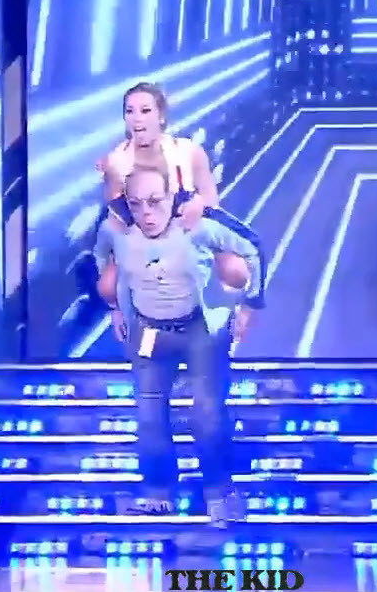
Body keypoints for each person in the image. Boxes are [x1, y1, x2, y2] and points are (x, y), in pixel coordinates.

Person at [92, 163, 262, 527]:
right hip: (149, 333)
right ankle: (158, 493)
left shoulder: (199, 226)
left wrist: (250, 305)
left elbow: (253, 248)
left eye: (155, 201)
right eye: (136, 204)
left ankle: (219, 494)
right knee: (149, 417)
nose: (147, 212)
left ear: (173, 196)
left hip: (200, 331)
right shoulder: (114, 231)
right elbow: (103, 257)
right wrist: (116, 308)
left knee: (207, 415)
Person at [94, 82, 265, 313]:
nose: (137, 119)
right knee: (108, 285)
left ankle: (227, 307)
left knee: (236, 270)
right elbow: (115, 213)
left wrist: (198, 204)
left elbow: (210, 196)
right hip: (143, 237)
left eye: (145, 111)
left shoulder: (188, 151)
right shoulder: (116, 161)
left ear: (161, 116)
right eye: (130, 111)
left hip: (188, 230)